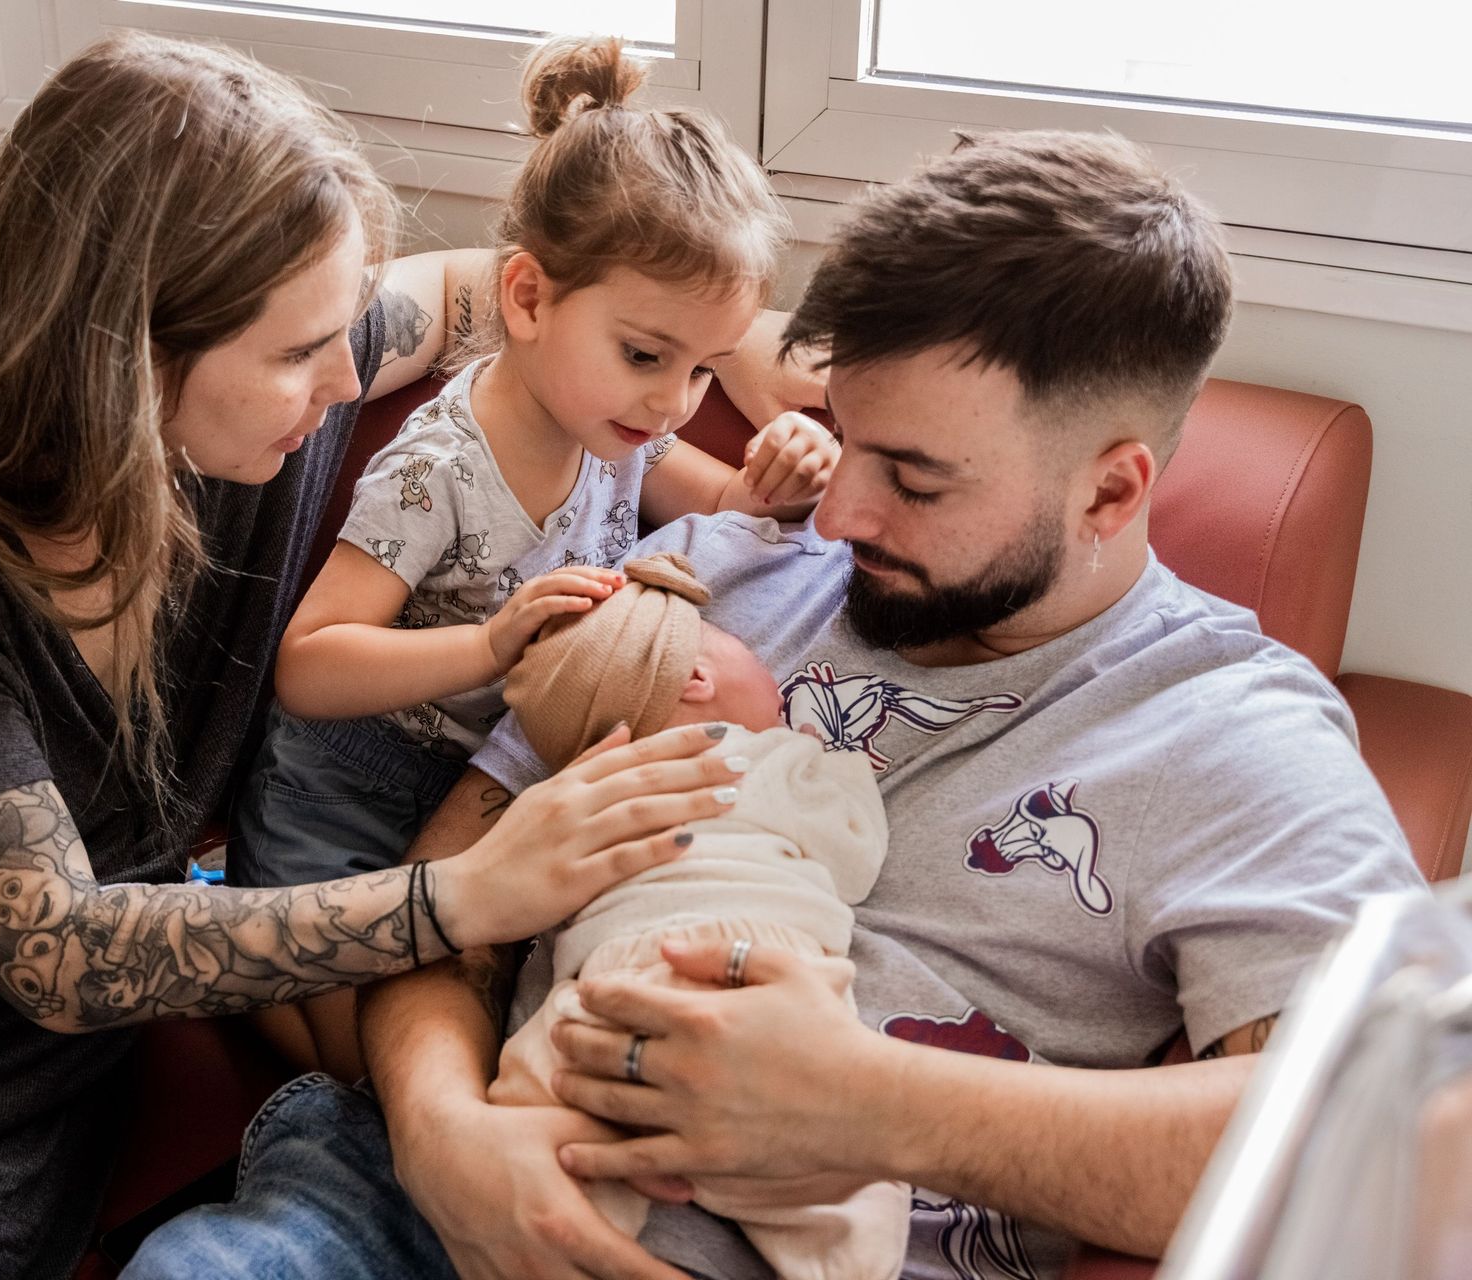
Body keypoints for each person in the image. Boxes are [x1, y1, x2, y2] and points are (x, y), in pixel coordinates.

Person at [0, 31, 828, 1280]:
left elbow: (488, 290)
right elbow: (60, 949)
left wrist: (778, 366)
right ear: (118, 354)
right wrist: (467, 893)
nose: (349, 378)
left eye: (343, 329)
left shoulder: (243, 425)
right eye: (297, 351)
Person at [123, 130, 1425, 1280]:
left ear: (1109, 492)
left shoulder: (1229, 730)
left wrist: (867, 1101)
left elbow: (1407, 1140)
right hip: (430, 1188)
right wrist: (443, 1128)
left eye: (911, 478)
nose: (837, 514)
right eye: (838, 434)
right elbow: (458, 883)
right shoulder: (725, 569)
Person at [227, 35, 838, 1080]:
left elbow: (735, 502)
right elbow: (312, 660)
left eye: (702, 370)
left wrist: (784, 467)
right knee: (345, 1060)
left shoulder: (620, 429)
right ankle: (220, 904)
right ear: (526, 299)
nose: (672, 402)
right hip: (350, 787)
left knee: (481, 1024)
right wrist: (491, 643)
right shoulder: (440, 470)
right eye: (647, 355)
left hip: (483, 785)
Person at [489, 551, 908, 1280]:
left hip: (602, 986)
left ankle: (570, 1246)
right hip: (752, 975)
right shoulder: (769, 755)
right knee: (845, 1170)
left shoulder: (584, 793)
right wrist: (824, 766)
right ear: (696, 680)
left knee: (546, 1133)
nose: (776, 685)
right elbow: (853, 859)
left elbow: (535, 916)